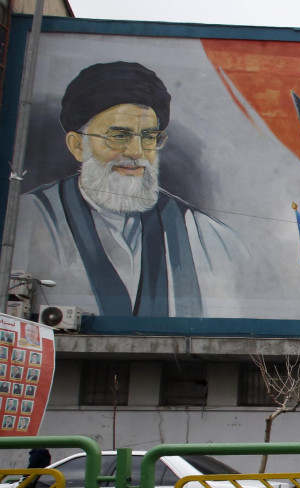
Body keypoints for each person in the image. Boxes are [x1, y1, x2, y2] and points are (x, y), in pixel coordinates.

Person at [19, 61, 251, 318]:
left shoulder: (208, 237)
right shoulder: (26, 221)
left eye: (149, 137)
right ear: (77, 145)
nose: (136, 152)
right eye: (119, 136)